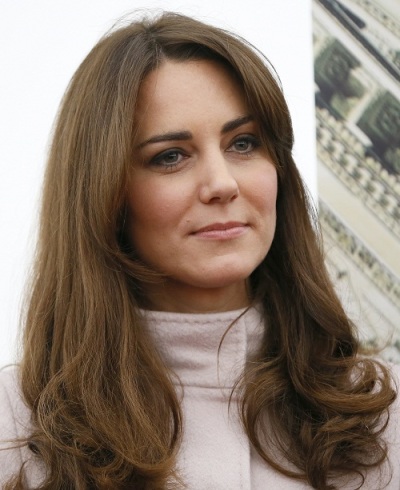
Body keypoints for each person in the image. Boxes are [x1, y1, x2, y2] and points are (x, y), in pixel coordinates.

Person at [0, 11, 399, 490]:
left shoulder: (382, 412)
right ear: (105, 194)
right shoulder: (18, 427)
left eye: (244, 143)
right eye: (171, 156)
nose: (222, 184)